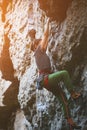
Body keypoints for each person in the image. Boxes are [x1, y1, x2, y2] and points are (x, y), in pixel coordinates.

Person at [29, 19, 81, 129]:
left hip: (45, 81)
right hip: (46, 78)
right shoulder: (38, 50)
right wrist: (47, 22)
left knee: (62, 98)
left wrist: (32, 36)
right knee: (64, 74)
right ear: (37, 46)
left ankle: (70, 121)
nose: (44, 43)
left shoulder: (38, 53)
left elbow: (35, 40)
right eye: (40, 43)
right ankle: (72, 93)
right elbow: (46, 35)